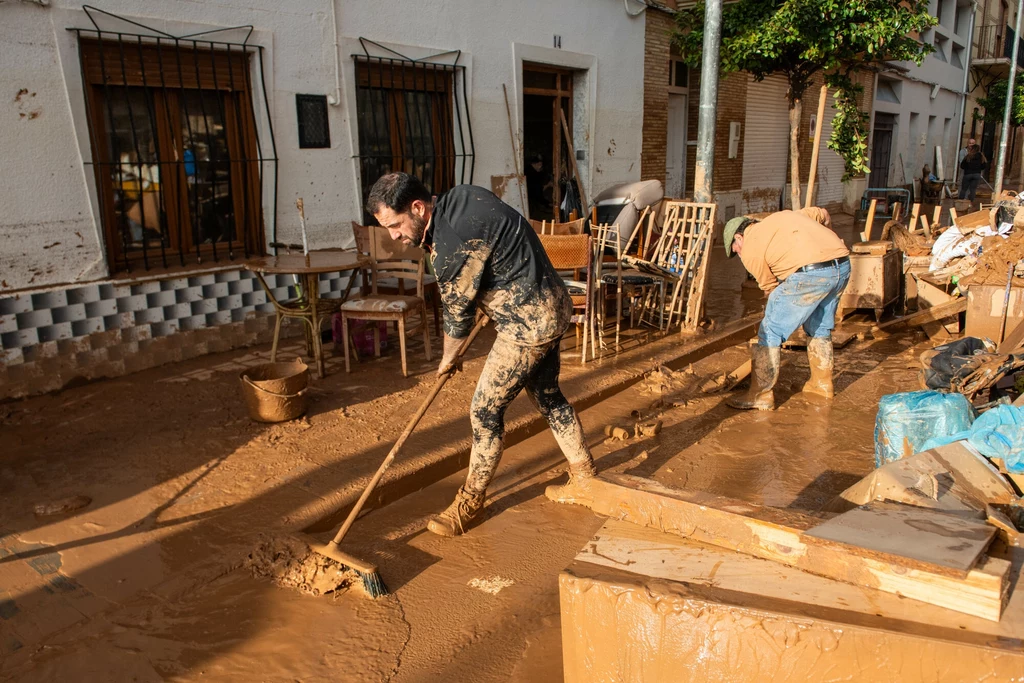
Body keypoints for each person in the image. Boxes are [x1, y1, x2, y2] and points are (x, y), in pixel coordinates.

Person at [366, 172, 597, 536]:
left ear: (417, 207)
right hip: (554, 302)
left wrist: (448, 359)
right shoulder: (462, 195)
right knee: (548, 396)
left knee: (484, 411)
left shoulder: (450, 245)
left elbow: (457, 320)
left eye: (395, 225)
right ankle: (584, 473)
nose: (393, 236)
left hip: (527, 323)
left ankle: (469, 502)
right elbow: (498, 248)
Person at [721, 208, 851, 411]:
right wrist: (827, 246)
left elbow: (771, 291)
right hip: (842, 265)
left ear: (740, 236)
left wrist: (780, 315)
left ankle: (761, 395)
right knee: (819, 328)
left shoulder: (750, 250)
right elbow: (824, 214)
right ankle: (821, 385)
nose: (737, 252)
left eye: (734, 247)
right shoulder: (785, 216)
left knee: (770, 330)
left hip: (809, 274)